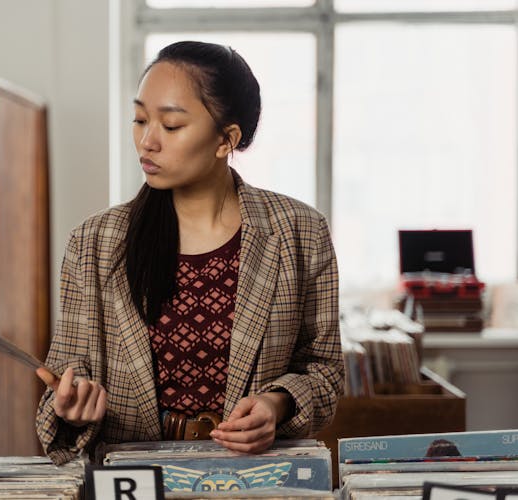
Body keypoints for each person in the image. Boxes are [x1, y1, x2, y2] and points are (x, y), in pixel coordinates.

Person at [35, 40, 344, 465]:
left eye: (172, 125)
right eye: (139, 119)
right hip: (132, 477)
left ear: (226, 138)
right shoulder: (94, 242)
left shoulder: (299, 232)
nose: (147, 141)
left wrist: (278, 404)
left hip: (254, 475)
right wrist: (70, 408)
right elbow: (66, 378)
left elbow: (324, 372)